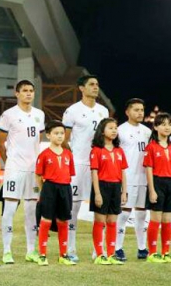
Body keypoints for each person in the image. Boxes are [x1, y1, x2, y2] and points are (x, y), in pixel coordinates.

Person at [0, 80, 46, 264]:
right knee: (9, 209)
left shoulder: (39, 115)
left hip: (33, 170)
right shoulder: (9, 115)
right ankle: (6, 251)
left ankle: (31, 251)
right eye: (24, 91)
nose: (28, 93)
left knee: (31, 211)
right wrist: (9, 161)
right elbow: (0, 142)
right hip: (14, 168)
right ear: (16, 93)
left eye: (31, 91)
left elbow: (38, 141)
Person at [62, 75, 109, 262]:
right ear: (81, 88)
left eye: (97, 84)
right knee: (73, 206)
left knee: (100, 206)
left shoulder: (103, 111)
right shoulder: (72, 111)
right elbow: (64, 139)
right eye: (91, 84)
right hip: (78, 164)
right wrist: (74, 157)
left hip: (99, 165)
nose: (95, 87)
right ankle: (71, 249)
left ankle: (99, 250)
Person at [35, 121, 77, 266]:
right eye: (56, 133)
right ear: (48, 135)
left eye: (62, 133)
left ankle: (63, 255)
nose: (60, 136)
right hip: (49, 188)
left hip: (65, 188)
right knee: (46, 221)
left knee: (63, 221)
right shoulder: (44, 154)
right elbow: (38, 175)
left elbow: (70, 174)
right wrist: (43, 190)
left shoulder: (68, 154)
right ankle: (42, 255)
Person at [115, 98, 151, 261]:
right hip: (127, 178)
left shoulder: (147, 132)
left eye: (142, 110)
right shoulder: (120, 130)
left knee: (142, 214)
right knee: (123, 214)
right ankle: (117, 248)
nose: (140, 113)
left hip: (143, 177)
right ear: (127, 112)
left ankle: (142, 248)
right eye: (136, 110)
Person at [90, 118, 127, 265]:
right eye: (110, 128)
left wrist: (124, 191)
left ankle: (111, 254)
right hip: (102, 186)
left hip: (116, 187)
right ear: (102, 131)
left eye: (115, 128)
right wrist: (97, 193)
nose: (114, 131)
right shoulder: (96, 150)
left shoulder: (119, 151)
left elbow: (123, 172)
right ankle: (100, 254)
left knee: (112, 221)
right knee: (100, 221)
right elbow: (94, 173)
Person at [143, 112, 171, 264]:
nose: (167, 127)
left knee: (168, 220)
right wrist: (152, 190)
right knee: (156, 219)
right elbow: (148, 170)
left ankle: (166, 252)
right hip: (157, 183)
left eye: (169, 124)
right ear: (155, 127)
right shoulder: (151, 147)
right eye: (163, 124)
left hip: (170, 184)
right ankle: (152, 253)